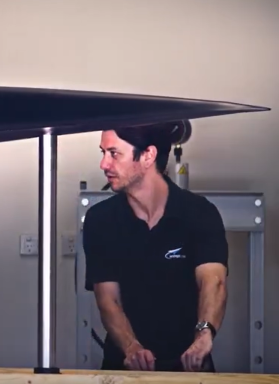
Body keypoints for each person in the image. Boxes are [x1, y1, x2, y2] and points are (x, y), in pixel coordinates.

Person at [82, 122, 228, 372]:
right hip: (124, 369)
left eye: (114, 154)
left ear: (148, 155)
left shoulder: (200, 213)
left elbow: (213, 281)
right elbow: (108, 299)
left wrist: (204, 335)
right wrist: (131, 347)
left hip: (190, 369)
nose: (104, 164)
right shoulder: (100, 220)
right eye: (103, 153)